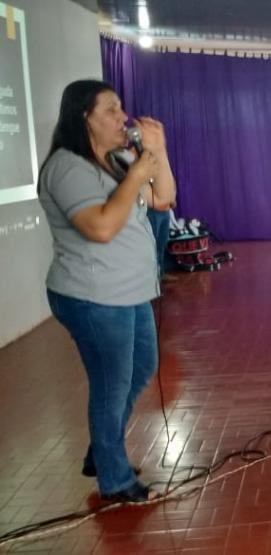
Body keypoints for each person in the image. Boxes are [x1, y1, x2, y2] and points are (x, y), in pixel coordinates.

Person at [38, 80, 176, 502]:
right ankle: (114, 480)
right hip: (93, 296)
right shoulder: (66, 167)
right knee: (111, 384)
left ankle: (103, 449)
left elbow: (164, 198)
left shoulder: (115, 160)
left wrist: (159, 153)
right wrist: (138, 171)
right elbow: (99, 227)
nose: (123, 117)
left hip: (128, 292)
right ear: (85, 118)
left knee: (141, 368)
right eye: (111, 110)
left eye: (121, 109)